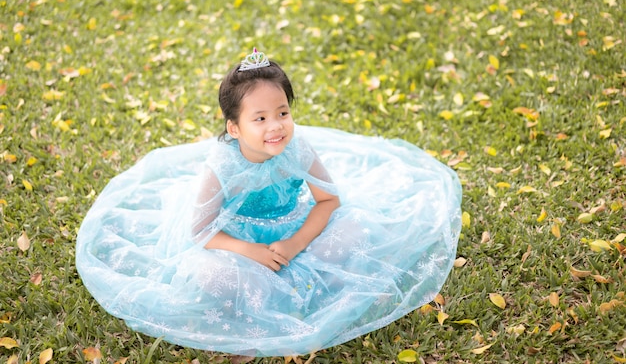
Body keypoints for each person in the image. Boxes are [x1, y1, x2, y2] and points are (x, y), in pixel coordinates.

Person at [76, 48, 462, 357]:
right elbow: (201, 231)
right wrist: (252, 251)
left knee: (356, 231)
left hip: (293, 226)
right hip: (237, 236)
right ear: (234, 127)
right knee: (214, 278)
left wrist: (295, 244)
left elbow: (329, 200)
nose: (275, 125)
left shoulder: (296, 147)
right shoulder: (223, 165)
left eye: (282, 113)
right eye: (259, 118)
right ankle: (273, 295)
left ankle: (303, 283)